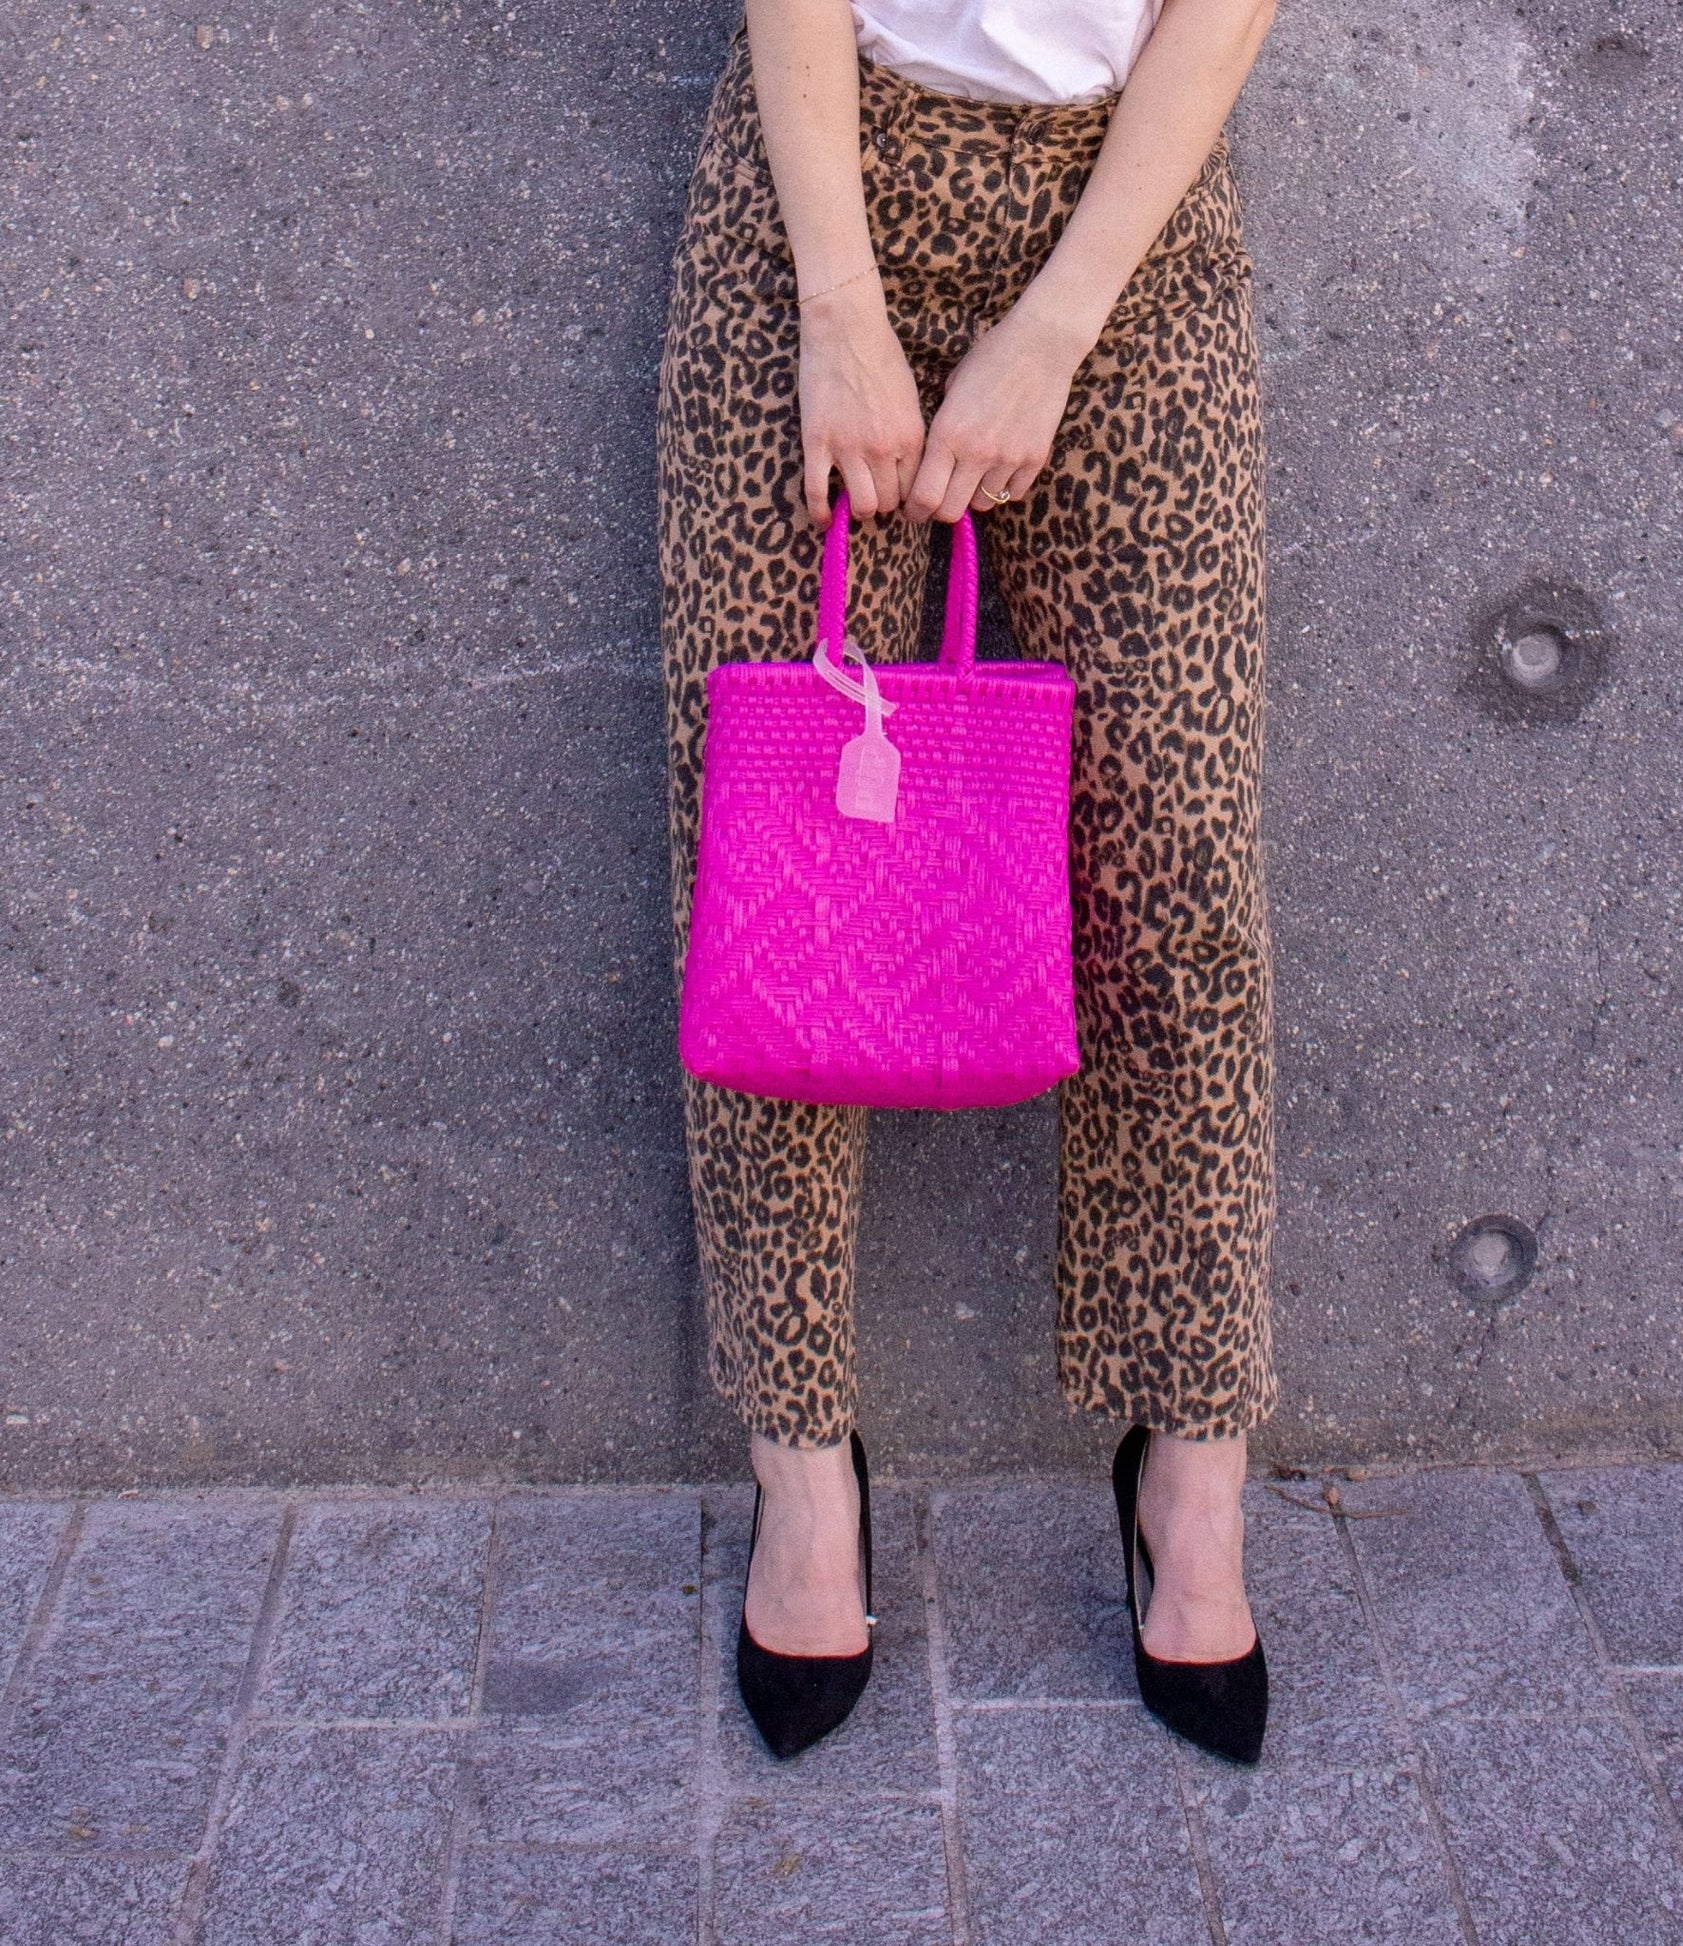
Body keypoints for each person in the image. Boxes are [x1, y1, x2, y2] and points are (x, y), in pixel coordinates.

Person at [655, 0, 1281, 1763]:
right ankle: (798, 1460)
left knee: (1177, 872)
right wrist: (837, 310)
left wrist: (1051, 332)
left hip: (1128, 228)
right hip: (816, 189)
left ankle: (1194, 1460)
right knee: (769, 854)